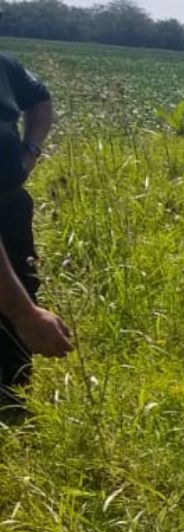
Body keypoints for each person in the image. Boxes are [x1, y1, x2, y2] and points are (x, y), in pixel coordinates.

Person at [0, 50, 68, 415]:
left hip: (10, 203)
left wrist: (30, 151)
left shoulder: (4, 65)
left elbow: (39, 99)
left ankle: (12, 398)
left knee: (21, 283)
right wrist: (25, 314)